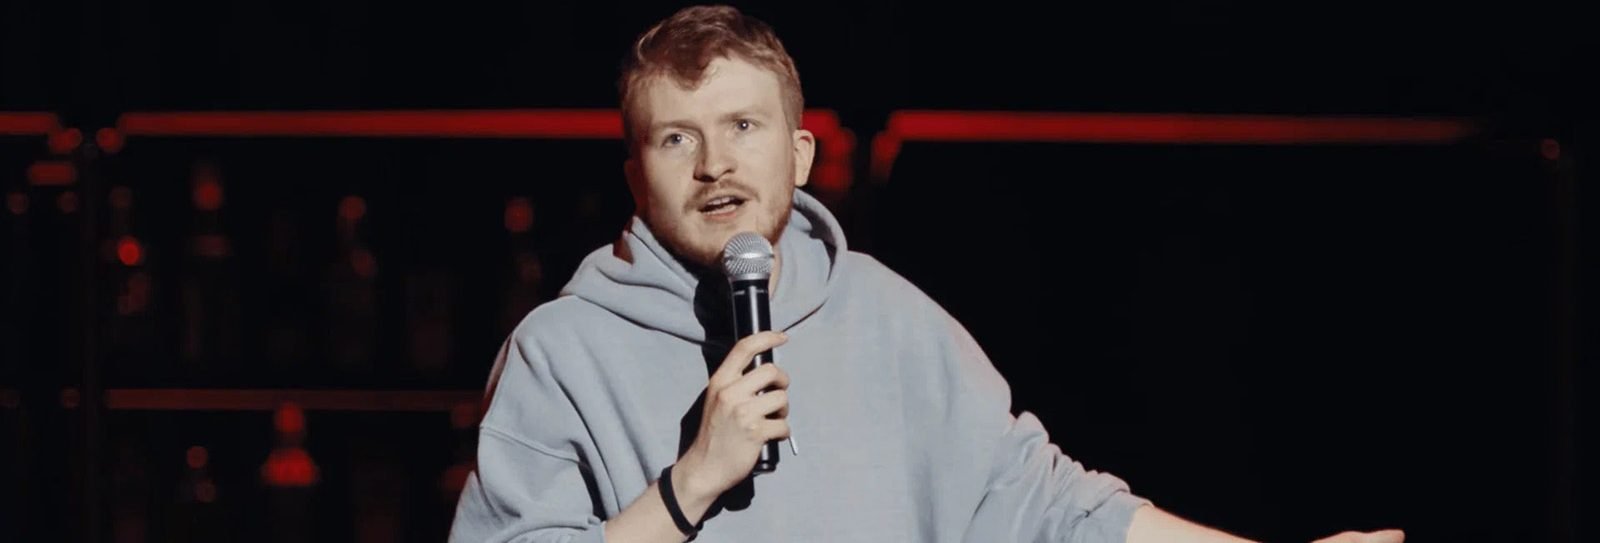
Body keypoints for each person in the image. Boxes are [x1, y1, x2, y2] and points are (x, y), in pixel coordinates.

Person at [449, 5, 1405, 542]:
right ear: (634, 175)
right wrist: (688, 483)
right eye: (676, 138)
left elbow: (1052, 507)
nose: (715, 165)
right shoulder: (559, 352)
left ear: (801, 155)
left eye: (743, 126)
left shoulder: (887, 315)